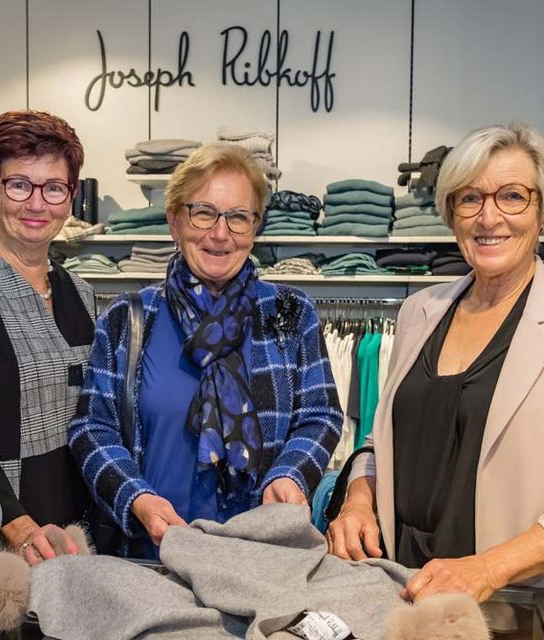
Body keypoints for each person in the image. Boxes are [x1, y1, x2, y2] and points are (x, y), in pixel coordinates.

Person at [327, 122, 544, 632]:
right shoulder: (420, 311)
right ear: (451, 212)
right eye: (470, 198)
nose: (489, 217)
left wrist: (488, 568)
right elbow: (378, 442)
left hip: (523, 608)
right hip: (407, 594)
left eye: (512, 196)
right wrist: (357, 500)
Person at [69, 143, 343, 558]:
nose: (220, 233)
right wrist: (136, 498)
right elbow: (93, 427)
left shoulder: (290, 312)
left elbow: (320, 414)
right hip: (153, 555)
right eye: (203, 213)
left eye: (238, 217)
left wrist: (290, 474)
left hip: (262, 555)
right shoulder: (127, 318)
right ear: (174, 221)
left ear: (256, 227)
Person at [0, 110, 95, 565]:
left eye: (54, 188)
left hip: (74, 533)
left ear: (71, 196)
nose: (37, 204)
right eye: (19, 185)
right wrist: (17, 523)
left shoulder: (80, 293)